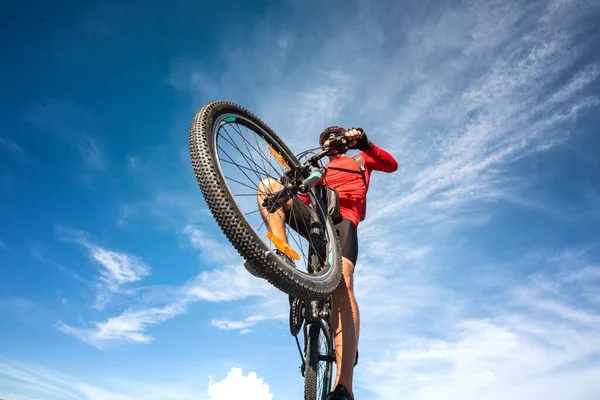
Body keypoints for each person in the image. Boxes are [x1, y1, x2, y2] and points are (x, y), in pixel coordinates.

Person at [257, 126, 398, 399]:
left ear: (345, 141)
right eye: (326, 138)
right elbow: (294, 198)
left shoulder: (360, 159)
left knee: (342, 282)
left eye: (337, 135)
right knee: (267, 187)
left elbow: (391, 165)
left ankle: (343, 387)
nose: (332, 139)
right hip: (316, 220)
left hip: (344, 220)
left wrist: (365, 142)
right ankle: (283, 257)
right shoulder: (319, 171)